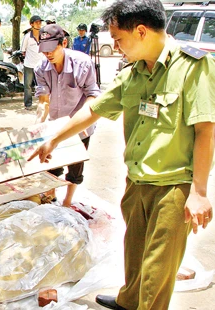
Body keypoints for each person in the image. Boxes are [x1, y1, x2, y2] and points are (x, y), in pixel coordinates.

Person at [28, 1, 214, 309]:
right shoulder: (135, 73)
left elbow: (206, 130)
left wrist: (199, 192)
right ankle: (129, 300)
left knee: (157, 270)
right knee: (135, 252)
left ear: (141, 31)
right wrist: (54, 139)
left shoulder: (193, 67)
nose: (115, 46)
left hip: (173, 187)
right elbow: (93, 109)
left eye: (118, 38)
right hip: (137, 182)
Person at [35, 24, 101, 207]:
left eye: (51, 50)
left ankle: (68, 201)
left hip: (80, 125)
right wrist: (37, 127)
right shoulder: (41, 68)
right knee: (51, 164)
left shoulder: (82, 63)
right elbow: (43, 102)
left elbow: (93, 96)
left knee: (75, 166)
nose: (47, 55)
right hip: (55, 124)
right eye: (44, 50)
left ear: (63, 43)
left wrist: (82, 122)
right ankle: (51, 194)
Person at [21, 15, 44, 110]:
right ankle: (28, 104)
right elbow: (23, 50)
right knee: (28, 86)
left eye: (40, 22)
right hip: (29, 65)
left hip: (41, 65)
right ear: (31, 24)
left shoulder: (43, 36)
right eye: (36, 22)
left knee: (42, 85)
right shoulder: (27, 37)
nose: (39, 25)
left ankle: (42, 103)